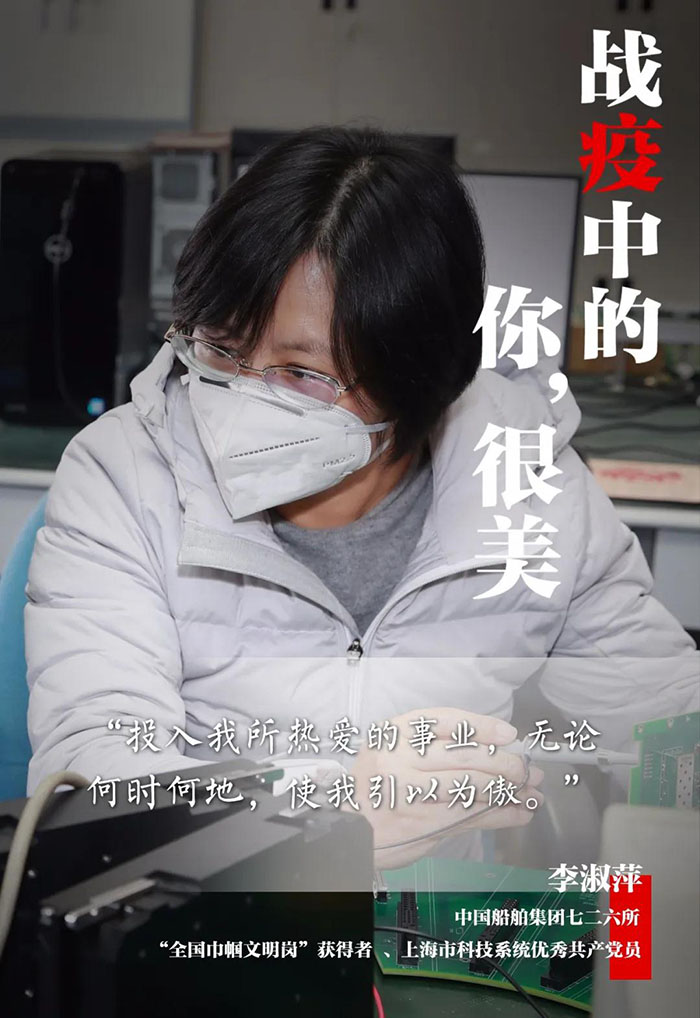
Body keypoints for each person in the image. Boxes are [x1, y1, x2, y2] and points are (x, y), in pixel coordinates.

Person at [24, 127, 698, 869]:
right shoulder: (125, 474)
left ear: (418, 379)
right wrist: (335, 819)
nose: (240, 397)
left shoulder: (530, 487)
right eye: (220, 345)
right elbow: (96, 778)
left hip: (435, 919)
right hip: (206, 910)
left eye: (301, 374)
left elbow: (665, 725)